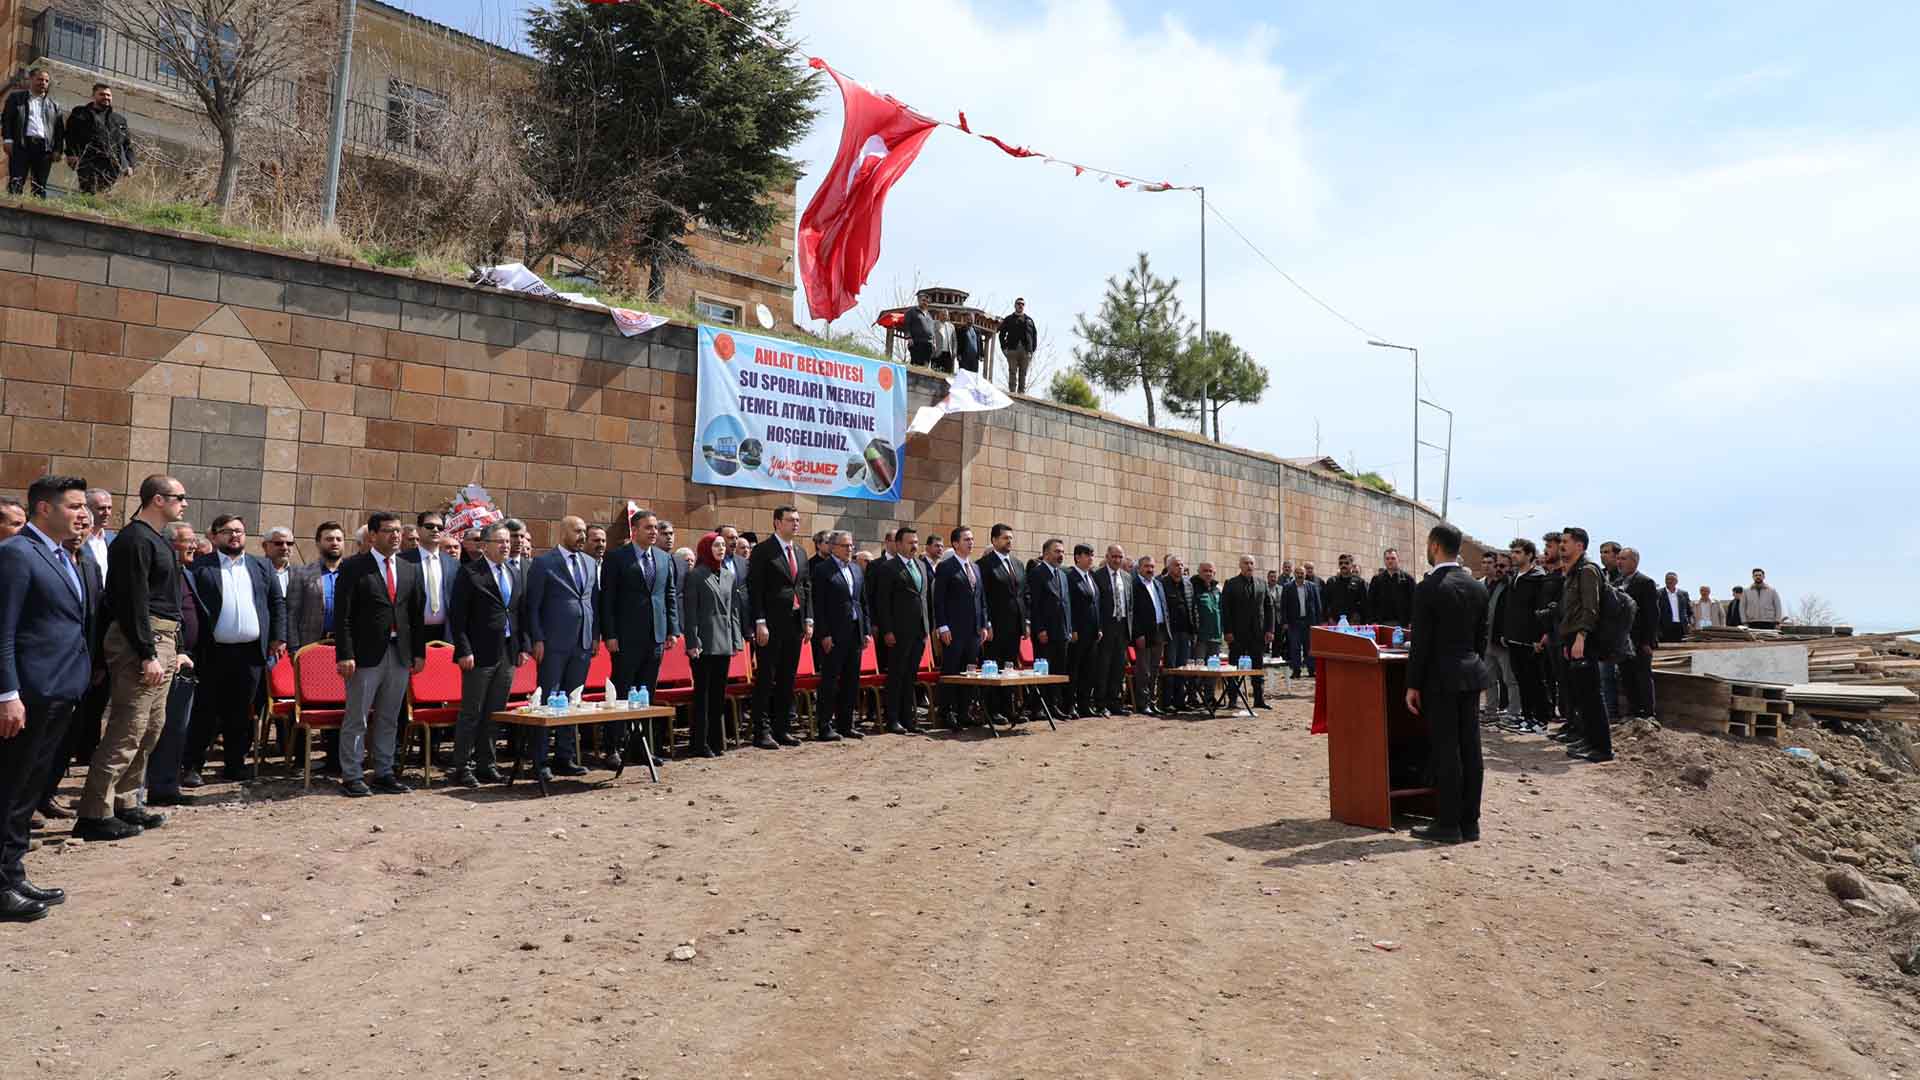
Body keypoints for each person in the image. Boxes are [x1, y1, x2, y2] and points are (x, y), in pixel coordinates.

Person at [0, 475, 94, 921]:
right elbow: (4, 630)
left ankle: (12, 874)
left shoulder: (64, 555)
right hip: (28, 697)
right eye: (74, 505)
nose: (83, 513)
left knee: (27, 790)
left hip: (59, 692)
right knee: (10, 789)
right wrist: (7, 694)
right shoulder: (18, 554)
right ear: (44, 509)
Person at [75, 474, 187, 842]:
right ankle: (94, 812)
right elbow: (132, 600)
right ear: (157, 499)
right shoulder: (134, 540)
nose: (183, 503)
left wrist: (176, 648)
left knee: (152, 728)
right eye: (178, 497)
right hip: (144, 641)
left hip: (164, 639)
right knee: (127, 728)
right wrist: (146, 652)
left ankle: (126, 801)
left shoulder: (158, 540)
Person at [1405, 523, 1491, 845]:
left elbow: (1421, 643)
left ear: (1435, 546)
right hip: (1470, 674)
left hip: (1440, 678)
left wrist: (1413, 684)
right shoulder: (1477, 587)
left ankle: (1447, 822)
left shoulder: (1428, 588)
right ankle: (1470, 822)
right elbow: (1480, 637)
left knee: (1446, 750)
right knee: (1471, 748)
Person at [184, 515, 286, 784]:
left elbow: (277, 603)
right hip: (212, 652)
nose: (235, 536)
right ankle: (193, 766)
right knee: (205, 710)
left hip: (251, 653)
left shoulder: (261, 566)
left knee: (241, 712)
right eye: (228, 531)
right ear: (215, 536)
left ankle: (234, 764)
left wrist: (278, 637)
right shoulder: (199, 567)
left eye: (239, 531)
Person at [334, 511, 427, 796]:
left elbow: (415, 614)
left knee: (389, 716)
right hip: (364, 655)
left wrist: (419, 652)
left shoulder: (409, 568)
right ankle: (352, 774)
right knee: (358, 716)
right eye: (389, 530)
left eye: (398, 530)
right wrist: (345, 654)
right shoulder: (353, 567)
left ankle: (384, 772)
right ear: (373, 535)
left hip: (399, 653)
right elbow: (343, 616)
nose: (396, 535)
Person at [445, 523, 527, 786]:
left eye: (508, 542)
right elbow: (458, 617)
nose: (506, 546)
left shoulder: (513, 573)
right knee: (472, 711)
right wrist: (464, 649)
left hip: (506, 651)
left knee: (495, 711)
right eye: (500, 542)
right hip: (478, 653)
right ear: (485, 545)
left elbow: (517, 613)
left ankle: (486, 763)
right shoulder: (470, 574)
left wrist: (522, 646)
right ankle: (462, 765)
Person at [600, 508, 676, 770]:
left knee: (646, 695)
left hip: (655, 637)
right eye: (648, 527)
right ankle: (613, 748)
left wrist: (672, 629)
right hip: (625, 638)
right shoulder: (616, 558)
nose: (654, 532)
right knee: (621, 692)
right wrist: (609, 634)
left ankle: (640, 748)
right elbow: (607, 599)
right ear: (634, 530)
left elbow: (669, 595)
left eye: (656, 527)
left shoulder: (665, 559)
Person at [523, 516, 598, 781]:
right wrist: (538, 639)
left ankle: (564, 756)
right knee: (548, 700)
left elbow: (593, 601)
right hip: (553, 643)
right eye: (578, 531)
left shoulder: (590, 562)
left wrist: (595, 635)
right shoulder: (544, 563)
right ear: (563, 532)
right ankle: (540, 760)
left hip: (582, 642)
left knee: (573, 699)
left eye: (584, 531)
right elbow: (533, 606)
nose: (582, 536)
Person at [141, 522, 200, 804]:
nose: (193, 545)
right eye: (186, 541)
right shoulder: (159, 575)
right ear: (168, 545)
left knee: (176, 728)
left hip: (186, 663)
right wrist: (175, 649)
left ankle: (165, 787)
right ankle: (137, 792)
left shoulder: (187, 573)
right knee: (151, 726)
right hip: (163, 659)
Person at [746, 506, 812, 749]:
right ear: (776, 523)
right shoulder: (764, 551)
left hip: (795, 624)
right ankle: (761, 731)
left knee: (787, 678)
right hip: (771, 625)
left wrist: (809, 619)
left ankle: (782, 728)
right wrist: (760, 621)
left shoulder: (801, 552)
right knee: (767, 678)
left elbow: (805, 587)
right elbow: (756, 589)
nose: (795, 524)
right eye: (790, 520)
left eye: (797, 519)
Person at [1556, 528, 1614, 763]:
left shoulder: (1588, 571)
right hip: (1573, 639)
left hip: (1585, 639)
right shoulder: (1574, 572)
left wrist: (1581, 636)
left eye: (1566, 542)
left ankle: (1602, 748)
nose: (1561, 545)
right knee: (1581, 694)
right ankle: (1589, 739)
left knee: (1591, 695)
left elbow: (1591, 609)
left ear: (1579, 546)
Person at [682, 531, 741, 757]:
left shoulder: (728, 575)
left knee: (718, 694)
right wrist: (692, 641)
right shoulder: (696, 575)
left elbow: (733, 609)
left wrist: (735, 639)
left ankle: (717, 741)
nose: (721, 549)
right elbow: (691, 612)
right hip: (703, 642)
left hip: (724, 641)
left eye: (723, 546)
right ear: (706, 548)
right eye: (716, 545)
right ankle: (699, 743)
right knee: (703, 694)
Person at [809, 531, 868, 741]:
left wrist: (866, 630)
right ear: (833, 547)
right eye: (845, 546)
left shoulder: (856, 569)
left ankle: (846, 724)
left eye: (851, 545)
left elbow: (862, 601)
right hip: (833, 634)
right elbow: (819, 605)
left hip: (854, 631)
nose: (850, 549)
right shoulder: (822, 570)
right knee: (830, 681)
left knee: (851, 681)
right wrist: (823, 634)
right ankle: (824, 725)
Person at [872, 526, 930, 734]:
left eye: (916, 542)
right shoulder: (889, 568)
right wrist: (887, 630)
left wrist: (927, 628)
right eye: (909, 542)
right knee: (896, 676)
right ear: (898, 545)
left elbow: (924, 598)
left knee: (910, 677)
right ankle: (893, 718)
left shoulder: (922, 566)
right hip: (898, 632)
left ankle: (909, 718)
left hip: (918, 632)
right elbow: (882, 602)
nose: (914, 546)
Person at [933, 526, 989, 728]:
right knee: (952, 671)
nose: (971, 542)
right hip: (953, 630)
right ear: (955, 543)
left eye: (972, 539)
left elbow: (981, 598)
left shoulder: (975, 568)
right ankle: (947, 712)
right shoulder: (946, 567)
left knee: (969, 671)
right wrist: (943, 626)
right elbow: (939, 600)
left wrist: (984, 624)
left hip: (973, 631)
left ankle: (964, 711)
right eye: (966, 539)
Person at [1500, 539, 1552, 733]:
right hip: (1514, 638)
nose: (1514, 555)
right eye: (1512, 552)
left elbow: (1540, 609)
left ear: (1529, 555)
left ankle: (1541, 720)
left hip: (1531, 640)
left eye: (1518, 552)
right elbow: (1510, 609)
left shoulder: (1538, 578)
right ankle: (1528, 717)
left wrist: (1540, 637)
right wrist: (1506, 632)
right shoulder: (1514, 577)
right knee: (1522, 680)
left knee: (1535, 681)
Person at [977, 524, 1027, 722]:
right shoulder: (984, 564)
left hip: (1015, 625)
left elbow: (1024, 595)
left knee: (1009, 667)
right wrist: (986, 623)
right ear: (994, 540)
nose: (1009, 542)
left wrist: (1026, 622)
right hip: (995, 626)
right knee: (993, 667)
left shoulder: (1017, 564)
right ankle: (992, 710)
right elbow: (983, 598)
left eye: (1011, 538)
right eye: (1005, 538)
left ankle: (1009, 708)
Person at [1025, 538, 1074, 717]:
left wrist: (1069, 628)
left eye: (1062, 551)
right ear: (1046, 553)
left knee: (1058, 671)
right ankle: (1038, 707)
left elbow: (1066, 604)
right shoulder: (1038, 573)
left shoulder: (1062, 574)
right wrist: (1040, 629)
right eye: (1056, 551)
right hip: (1046, 632)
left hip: (1062, 631)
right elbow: (1034, 604)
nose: (1060, 555)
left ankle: (1053, 706)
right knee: (1043, 671)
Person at [1220, 556, 1275, 708]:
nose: (1249, 566)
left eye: (1251, 563)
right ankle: (1232, 699)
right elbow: (1226, 610)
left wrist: (1270, 630)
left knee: (1258, 668)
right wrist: (1228, 631)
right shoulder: (1231, 584)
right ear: (1240, 565)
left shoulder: (1262, 584)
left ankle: (1259, 699)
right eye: (1246, 563)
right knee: (1234, 667)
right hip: (1237, 634)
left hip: (1257, 634)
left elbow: (1270, 608)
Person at [63, 81, 135, 194]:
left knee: (104, 196)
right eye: (102, 94)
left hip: (112, 165)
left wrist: (130, 165)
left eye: (108, 95)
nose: (106, 97)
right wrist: (71, 154)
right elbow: (70, 134)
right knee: (88, 192)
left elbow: (127, 145)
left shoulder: (119, 120)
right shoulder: (81, 113)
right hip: (88, 161)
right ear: (93, 96)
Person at [3, 68, 65, 198]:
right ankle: (12, 211)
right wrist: (7, 139)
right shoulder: (16, 98)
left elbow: (59, 131)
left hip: (44, 149)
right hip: (22, 145)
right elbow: (7, 119)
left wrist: (58, 149)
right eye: (40, 79)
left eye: (46, 81)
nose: (43, 83)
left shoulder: (54, 105)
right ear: (31, 79)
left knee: (40, 185)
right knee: (16, 181)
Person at [287, 522, 346, 651]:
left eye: (339, 539)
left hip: (345, 646)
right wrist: (294, 648)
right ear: (318, 543)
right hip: (310, 645)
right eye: (329, 539)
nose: (335, 543)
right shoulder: (302, 573)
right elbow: (292, 614)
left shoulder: (353, 573)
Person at [400, 511, 456, 645]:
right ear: (418, 530)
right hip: (412, 632)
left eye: (440, 527)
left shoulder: (453, 564)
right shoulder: (402, 561)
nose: (435, 530)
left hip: (445, 633)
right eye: (430, 526)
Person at [1618, 548, 1660, 722]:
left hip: (1640, 640)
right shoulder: (1618, 582)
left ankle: (1648, 713)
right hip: (1623, 640)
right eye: (1618, 558)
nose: (1619, 562)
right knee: (1626, 676)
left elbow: (1652, 615)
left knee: (1642, 676)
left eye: (1624, 558)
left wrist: (1647, 641)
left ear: (1634, 561)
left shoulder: (1645, 582)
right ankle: (1633, 711)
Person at [1091, 545, 1133, 715]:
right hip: (1106, 627)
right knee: (1104, 667)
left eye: (1119, 557)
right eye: (1114, 556)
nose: (1117, 560)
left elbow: (1130, 605)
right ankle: (1101, 704)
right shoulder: (1098, 576)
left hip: (1122, 626)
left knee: (1118, 667)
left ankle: (1115, 703)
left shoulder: (1127, 577)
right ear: (1107, 557)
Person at [1062, 544, 1103, 717]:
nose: (1091, 558)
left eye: (1092, 555)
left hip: (1092, 632)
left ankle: (1085, 705)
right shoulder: (1070, 577)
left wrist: (1099, 627)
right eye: (1087, 555)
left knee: (1089, 671)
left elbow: (1096, 604)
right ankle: (1069, 705)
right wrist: (1073, 628)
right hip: (1078, 633)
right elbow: (1069, 606)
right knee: (1074, 670)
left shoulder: (1091, 577)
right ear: (1077, 557)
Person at [1129, 556, 1170, 715]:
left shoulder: (1158, 584)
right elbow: (1134, 612)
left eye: (1152, 567)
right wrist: (1138, 634)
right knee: (1143, 670)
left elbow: (1163, 608)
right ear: (1139, 568)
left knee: (1154, 669)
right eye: (1146, 566)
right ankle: (1142, 703)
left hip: (1159, 631)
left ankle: (1152, 702)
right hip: (1143, 634)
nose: (1150, 570)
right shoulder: (1134, 585)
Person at [1482, 555, 1518, 725]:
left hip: (1503, 640)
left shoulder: (1511, 585)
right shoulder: (1488, 585)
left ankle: (1514, 713)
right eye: (1497, 565)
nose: (1498, 569)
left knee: (1510, 679)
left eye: (1502, 566)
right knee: (1489, 679)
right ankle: (1491, 712)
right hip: (1487, 639)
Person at [1279, 565, 1320, 679]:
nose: (1300, 575)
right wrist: (1285, 622)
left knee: (1310, 647)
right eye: (1298, 573)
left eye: (1302, 573)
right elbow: (1284, 606)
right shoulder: (1287, 587)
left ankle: (1311, 670)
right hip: (1294, 622)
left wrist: (1318, 622)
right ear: (1294, 574)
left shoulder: (1312, 586)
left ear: (1305, 574)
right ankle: (1296, 670)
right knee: (1295, 647)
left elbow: (1317, 605)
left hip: (1309, 622)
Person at [997, 298, 1037, 394]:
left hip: (1026, 351)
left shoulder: (1029, 320)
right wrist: (1004, 348)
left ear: (1024, 306)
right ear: (1015, 305)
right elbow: (1001, 334)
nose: (1020, 305)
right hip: (1012, 350)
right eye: (1018, 304)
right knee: (1012, 371)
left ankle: (1021, 394)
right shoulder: (1008, 319)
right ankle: (1012, 393)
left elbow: (1034, 336)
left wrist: (1031, 351)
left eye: (1022, 304)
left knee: (1023, 373)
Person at [1368, 548, 1416, 627]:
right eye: (1387, 559)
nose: (1390, 561)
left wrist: (1412, 621)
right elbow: (1371, 602)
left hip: (1402, 624)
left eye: (1393, 558)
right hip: (1381, 623)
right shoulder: (1377, 580)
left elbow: (1414, 602)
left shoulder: (1408, 579)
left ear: (1398, 560)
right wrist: (1373, 621)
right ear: (1384, 560)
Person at [1321, 554, 1368, 625]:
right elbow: (1326, 602)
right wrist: (1327, 619)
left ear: (1352, 565)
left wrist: (1362, 621)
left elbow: (1365, 604)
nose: (1343, 565)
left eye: (1346, 563)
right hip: (1334, 622)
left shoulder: (1360, 582)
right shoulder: (1331, 581)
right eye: (1341, 563)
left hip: (1353, 622)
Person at [1656, 572, 1693, 644]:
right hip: (1665, 628)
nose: (1670, 581)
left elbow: (1689, 611)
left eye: (1672, 579)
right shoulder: (1658, 593)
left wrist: (1689, 623)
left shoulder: (1684, 594)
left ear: (1676, 581)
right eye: (1668, 579)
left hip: (1681, 627)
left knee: (1683, 650)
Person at [904, 294, 939, 368]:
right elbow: (907, 325)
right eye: (923, 300)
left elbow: (932, 330)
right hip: (916, 342)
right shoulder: (911, 311)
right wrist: (909, 337)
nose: (925, 302)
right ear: (918, 300)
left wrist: (934, 342)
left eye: (927, 301)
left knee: (925, 366)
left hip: (928, 344)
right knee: (915, 365)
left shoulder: (929, 315)